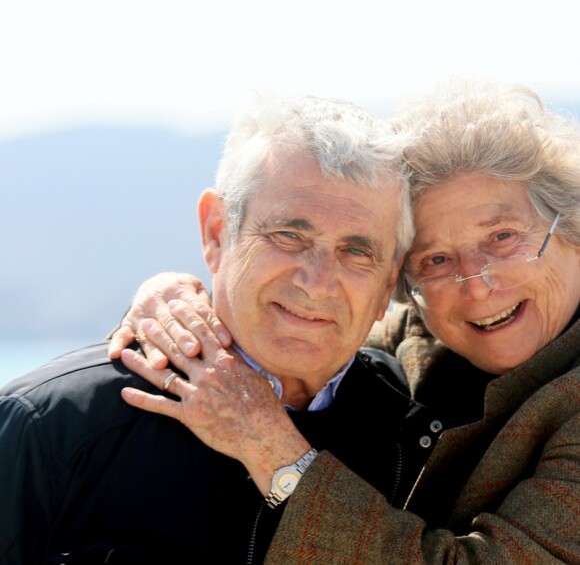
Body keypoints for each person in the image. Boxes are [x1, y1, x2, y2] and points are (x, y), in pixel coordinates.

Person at [112, 77, 580, 563]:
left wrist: (271, 447)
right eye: (436, 260)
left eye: (503, 237)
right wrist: (174, 306)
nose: (477, 284)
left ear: (571, 225)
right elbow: (292, 334)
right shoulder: (417, 342)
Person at [0, 92, 421, 564]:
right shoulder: (53, 425)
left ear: (389, 281)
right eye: (288, 235)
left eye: (356, 252)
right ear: (217, 231)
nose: (318, 283)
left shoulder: (419, 435)